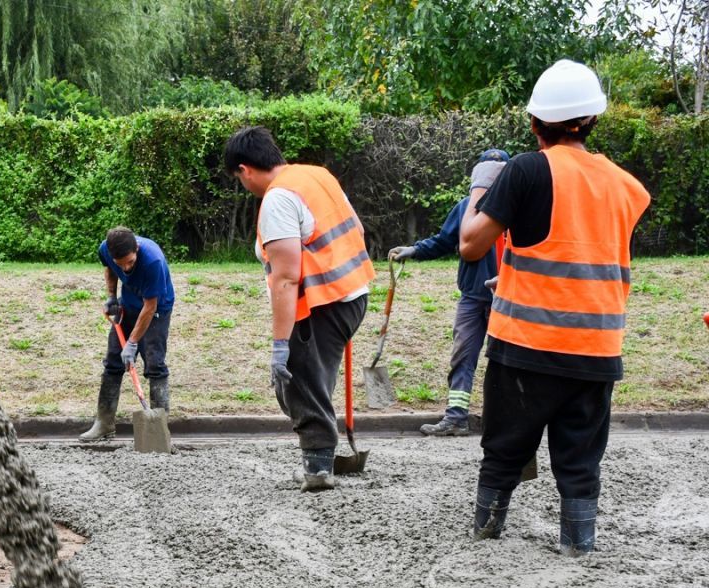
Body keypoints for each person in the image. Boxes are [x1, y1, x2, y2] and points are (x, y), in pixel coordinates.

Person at [458, 60, 650, 556]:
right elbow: (580, 249)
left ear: (534, 123)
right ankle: (578, 545)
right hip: (597, 350)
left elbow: (471, 245)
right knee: (581, 459)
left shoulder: (526, 169)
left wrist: (481, 188)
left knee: (503, 452)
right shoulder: (627, 187)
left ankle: (486, 534)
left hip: (527, 347)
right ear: (592, 120)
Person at [225, 126, 374, 491]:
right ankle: (321, 456)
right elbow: (357, 229)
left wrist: (280, 346)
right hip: (353, 292)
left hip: (320, 304)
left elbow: (286, 278)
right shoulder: (315, 175)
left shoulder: (277, 199)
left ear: (245, 170)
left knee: (298, 381)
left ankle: (319, 467)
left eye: (238, 179)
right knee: (312, 378)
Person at [388, 148, 510, 436]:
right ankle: (456, 418)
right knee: (463, 356)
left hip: (508, 298)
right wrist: (414, 250)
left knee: (506, 361)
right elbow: (444, 240)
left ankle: (506, 421)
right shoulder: (466, 207)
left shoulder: (518, 208)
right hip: (472, 298)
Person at [78, 226, 176, 441]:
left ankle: (159, 432)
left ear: (137, 249)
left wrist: (132, 343)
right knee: (113, 361)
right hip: (129, 305)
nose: (126, 268)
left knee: (155, 364)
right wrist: (112, 297)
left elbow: (150, 306)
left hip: (157, 310)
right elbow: (111, 269)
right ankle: (104, 423)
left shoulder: (153, 261)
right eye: (121, 263)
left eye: (130, 262)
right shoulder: (106, 249)